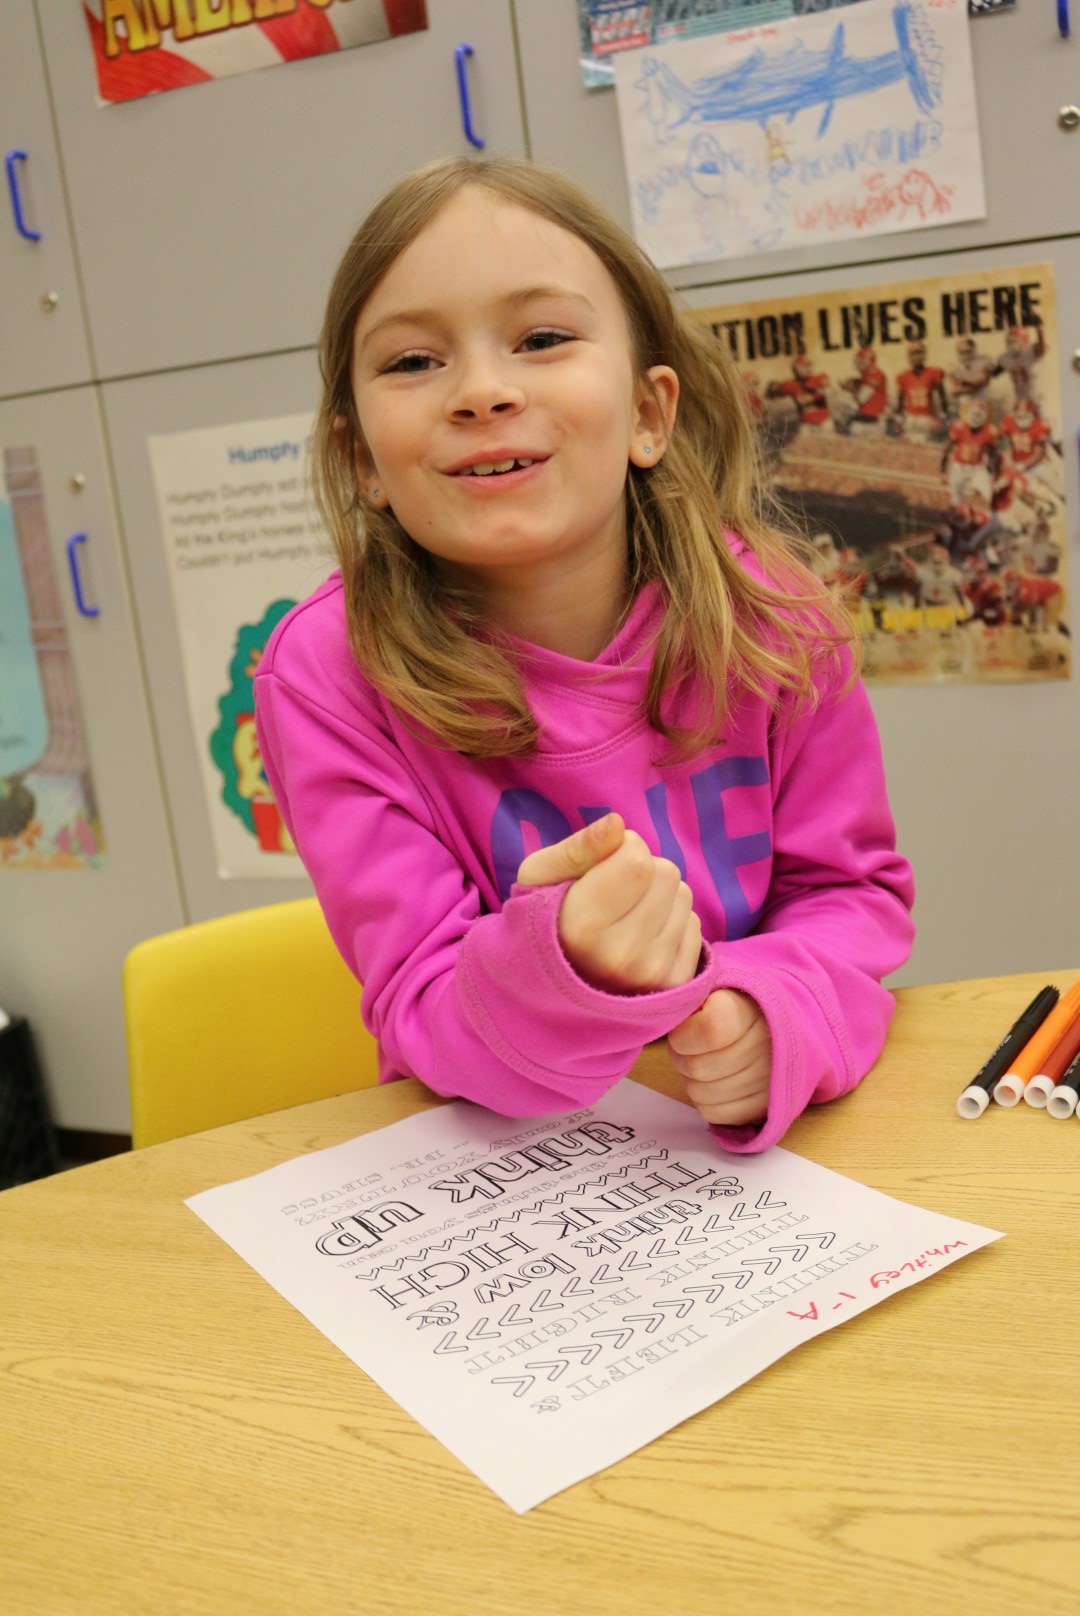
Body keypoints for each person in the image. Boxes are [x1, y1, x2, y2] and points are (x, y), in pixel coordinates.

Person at [254, 157, 914, 1155]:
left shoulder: (778, 620)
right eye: (414, 361)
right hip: (504, 1174)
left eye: (542, 339)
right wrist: (556, 961)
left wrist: (774, 1014)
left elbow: (848, 896)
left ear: (649, 413)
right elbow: (419, 997)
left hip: (760, 1177)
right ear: (361, 460)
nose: (482, 392)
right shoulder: (326, 674)